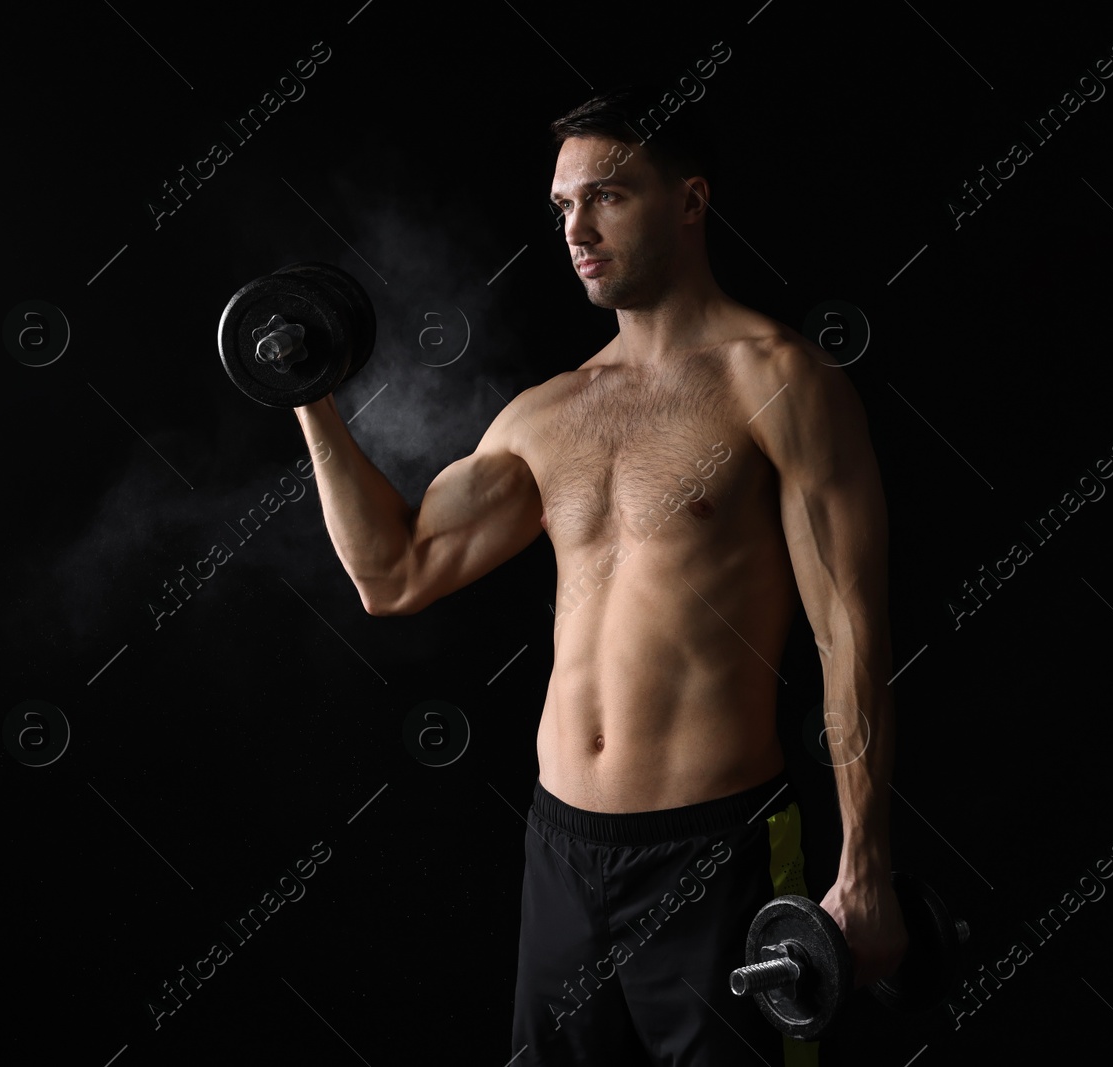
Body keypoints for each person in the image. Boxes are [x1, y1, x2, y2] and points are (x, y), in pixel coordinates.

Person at [292, 85, 906, 1066]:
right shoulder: (548, 413)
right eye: (563, 206)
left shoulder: (777, 379)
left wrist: (863, 864)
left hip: (716, 854)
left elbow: (851, 631)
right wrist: (310, 394)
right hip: (562, 851)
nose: (576, 227)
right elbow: (394, 572)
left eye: (607, 196)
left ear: (690, 200)